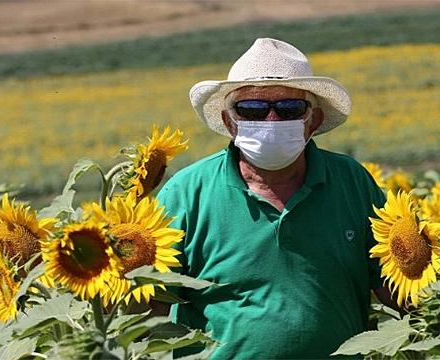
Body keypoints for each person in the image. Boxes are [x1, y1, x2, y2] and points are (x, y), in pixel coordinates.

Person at [155, 37, 398, 359]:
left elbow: (395, 284)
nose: (271, 121)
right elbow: (151, 305)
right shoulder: (187, 191)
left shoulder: (352, 181)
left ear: (314, 121)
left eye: (290, 109)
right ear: (230, 122)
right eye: (252, 109)